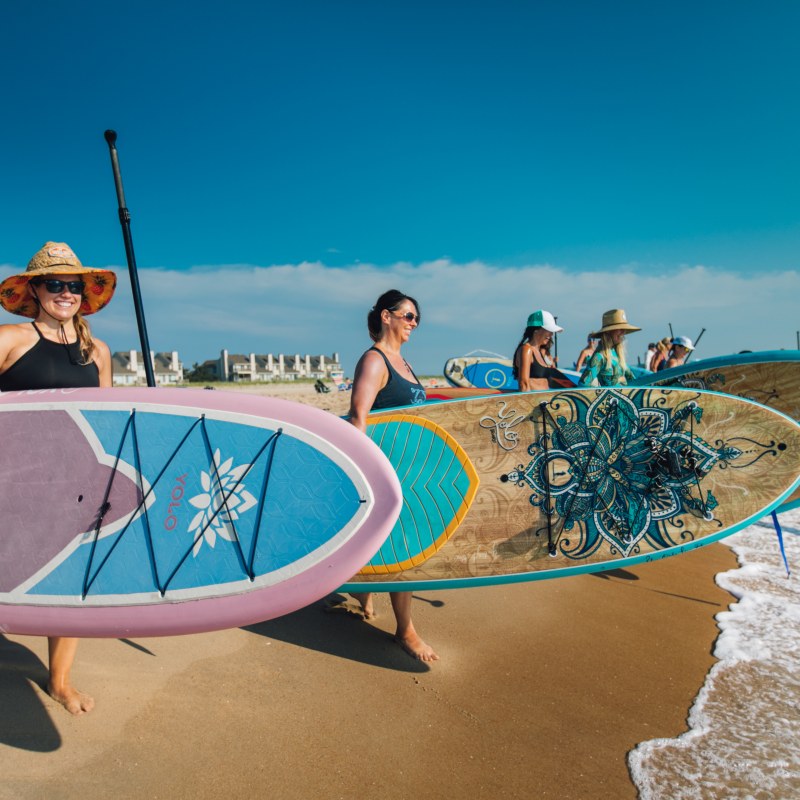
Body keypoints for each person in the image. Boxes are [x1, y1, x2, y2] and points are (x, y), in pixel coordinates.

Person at [0, 242, 115, 714]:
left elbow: (105, 420)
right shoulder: (10, 339)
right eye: (55, 284)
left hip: (72, 484)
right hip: (10, 477)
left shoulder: (98, 351)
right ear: (35, 290)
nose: (65, 293)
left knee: (67, 581)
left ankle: (60, 681)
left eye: (73, 285)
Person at [345, 289, 436, 662]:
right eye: (409, 316)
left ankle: (362, 593)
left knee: (392, 543)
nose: (414, 323)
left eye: (416, 318)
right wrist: (363, 475)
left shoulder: (404, 362)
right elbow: (358, 417)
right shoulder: (375, 360)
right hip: (388, 471)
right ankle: (406, 631)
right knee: (404, 546)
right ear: (388, 316)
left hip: (413, 469)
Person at [579, 309, 640, 387]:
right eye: (620, 328)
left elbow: (632, 380)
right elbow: (583, 385)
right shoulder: (599, 356)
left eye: (624, 329)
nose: (623, 332)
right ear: (608, 331)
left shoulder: (617, 354)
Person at [511, 309, 565, 391]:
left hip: (545, 401)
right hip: (534, 402)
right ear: (536, 330)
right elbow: (523, 383)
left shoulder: (540, 351)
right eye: (549, 331)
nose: (551, 334)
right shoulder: (527, 349)